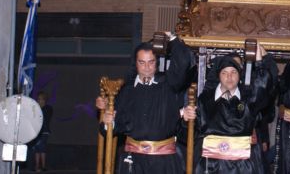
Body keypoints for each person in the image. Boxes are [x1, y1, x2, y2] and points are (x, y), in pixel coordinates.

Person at [97, 33, 197, 174]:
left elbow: (184, 61)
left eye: (151, 62)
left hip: (164, 162)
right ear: (135, 63)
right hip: (133, 161)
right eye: (142, 62)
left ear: (157, 63)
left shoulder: (169, 86)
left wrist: (173, 40)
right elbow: (114, 126)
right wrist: (109, 123)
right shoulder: (126, 91)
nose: (147, 67)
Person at [192, 43, 277, 173]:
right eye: (224, 72)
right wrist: (186, 120)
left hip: (242, 166)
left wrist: (260, 61)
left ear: (239, 75)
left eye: (233, 72)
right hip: (211, 165)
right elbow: (190, 131)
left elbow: (263, 86)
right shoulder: (205, 100)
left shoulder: (248, 99)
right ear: (219, 76)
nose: (229, 76)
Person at [31, 91, 53, 172]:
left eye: (41, 99)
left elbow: (45, 118)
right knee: (37, 149)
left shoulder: (48, 108)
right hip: (37, 132)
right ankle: (37, 166)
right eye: (38, 99)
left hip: (44, 131)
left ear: (44, 100)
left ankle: (43, 166)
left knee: (42, 148)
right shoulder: (37, 108)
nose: (39, 101)